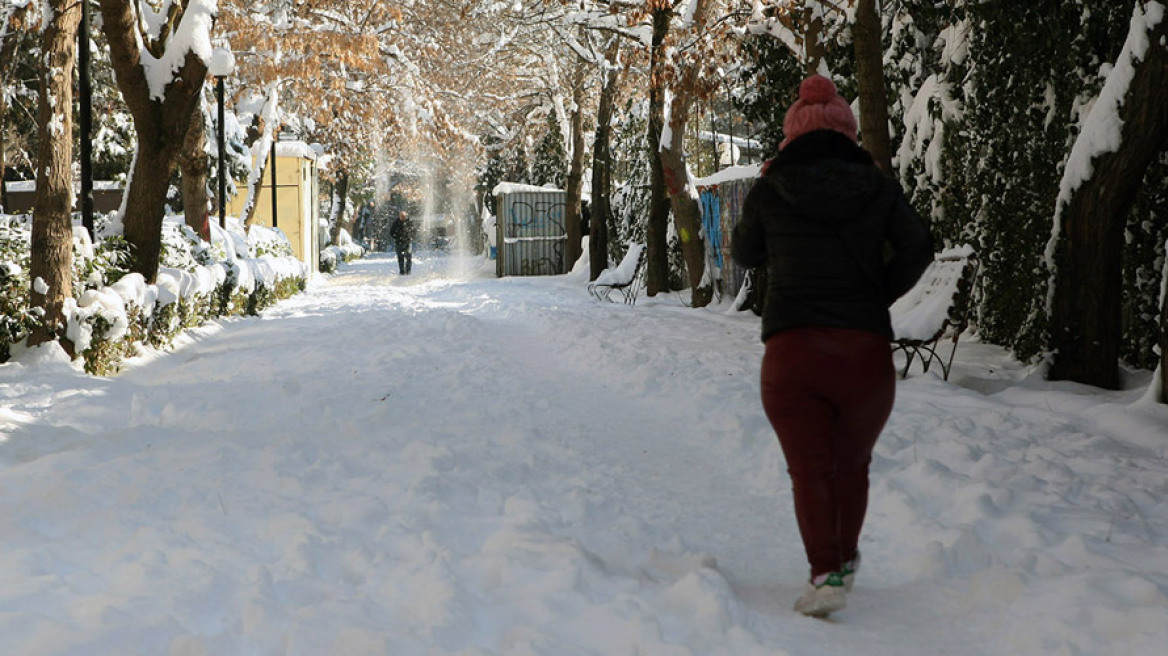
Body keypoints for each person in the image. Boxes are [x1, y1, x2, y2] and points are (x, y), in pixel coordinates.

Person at [731, 74, 934, 618]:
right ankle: (841, 559)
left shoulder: (772, 188)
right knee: (852, 464)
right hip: (864, 353)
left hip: (792, 350)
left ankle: (826, 572)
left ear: (790, 136)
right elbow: (919, 246)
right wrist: (875, 295)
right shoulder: (877, 186)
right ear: (847, 131)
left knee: (810, 467)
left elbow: (743, 253)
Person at [390, 209, 414, 274]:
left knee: (408, 257)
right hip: (399, 243)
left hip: (408, 242)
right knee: (400, 258)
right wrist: (397, 237)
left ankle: (408, 271)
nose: (403, 218)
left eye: (404, 217)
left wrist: (409, 237)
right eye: (401, 217)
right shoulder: (396, 223)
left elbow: (413, 231)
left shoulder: (409, 222)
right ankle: (402, 271)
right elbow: (391, 232)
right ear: (399, 216)